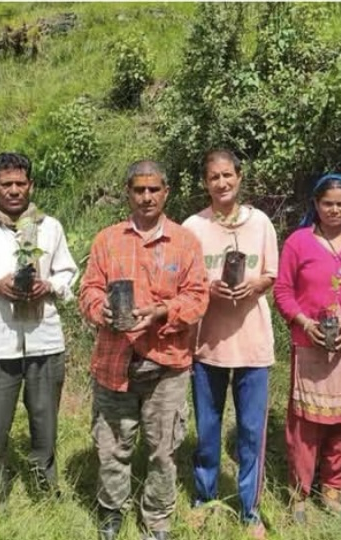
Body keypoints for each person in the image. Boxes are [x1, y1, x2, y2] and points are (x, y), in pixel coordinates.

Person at [79, 160, 208, 540]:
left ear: (166, 192)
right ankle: (111, 513)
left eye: (154, 189)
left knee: (162, 451)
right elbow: (88, 289)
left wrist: (161, 312)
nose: (147, 197)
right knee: (112, 447)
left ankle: (157, 519)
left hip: (167, 365)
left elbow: (198, 297)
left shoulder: (185, 242)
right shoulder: (107, 240)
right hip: (114, 363)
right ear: (128, 193)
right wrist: (98, 307)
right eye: (139, 190)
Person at [0, 152, 78, 511]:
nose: (15, 190)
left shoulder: (49, 226)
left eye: (21, 183)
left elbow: (68, 272)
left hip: (45, 341)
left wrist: (49, 285)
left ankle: (45, 497)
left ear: (31, 185)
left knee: (45, 427)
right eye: (7, 184)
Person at [181, 149, 278, 540]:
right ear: (205, 183)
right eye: (213, 177)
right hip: (207, 345)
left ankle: (250, 509)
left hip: (253, 343)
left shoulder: (261, 223)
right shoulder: (193, 226)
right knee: (207, 428)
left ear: (240, 177)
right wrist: (209, 288)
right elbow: (185, 283)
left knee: (252, 431)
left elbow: (271, 273)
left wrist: (256, 285)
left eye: (228, 176)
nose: (222, 183)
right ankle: (204, 499)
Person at [273, 174, 341, 523]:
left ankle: (334, 489)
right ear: (315, 204)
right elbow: (283, 291)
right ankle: (299, 492)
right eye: (327, 203)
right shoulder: (298, 242)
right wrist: (305, 323)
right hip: (310, 344)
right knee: (306, 421)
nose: (334, 210)